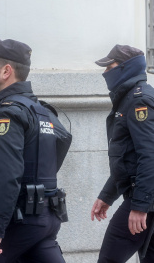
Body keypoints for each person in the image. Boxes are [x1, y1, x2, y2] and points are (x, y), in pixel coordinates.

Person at [0, 39, 71, 263]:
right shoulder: (41, 111)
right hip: (46, 218)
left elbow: (5, 174)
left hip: (19, 221)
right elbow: (62, 141)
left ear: (7, 71)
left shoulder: (7, 114)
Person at [91, 44, 154, 262]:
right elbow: (128, 158)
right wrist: (108, 195)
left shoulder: (139, 101)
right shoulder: (131, 98)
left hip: (144, 198)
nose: (105, 72)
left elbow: (150, 156)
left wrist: (139, 206)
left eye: (110, 66)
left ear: (125, 67)